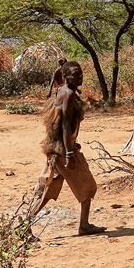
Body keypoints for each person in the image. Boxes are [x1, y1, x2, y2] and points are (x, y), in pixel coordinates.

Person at [29, 61, 104, 235]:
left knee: (49, 189)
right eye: (75, 74)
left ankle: (24, 225)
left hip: (57, 150)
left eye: (81, 74)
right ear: (65, 76)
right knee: (88, 186)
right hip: (63, 151)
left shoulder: (63, 91)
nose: (80, 77)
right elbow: (64, 126)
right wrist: (69, 154)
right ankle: (84, 226)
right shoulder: (68, 94)